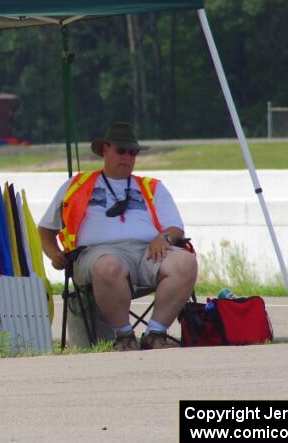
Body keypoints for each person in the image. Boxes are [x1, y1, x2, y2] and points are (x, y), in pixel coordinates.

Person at [38, 122, 197, 351]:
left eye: (132, 152)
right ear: (105, 150)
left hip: (146, 252)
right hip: (95, 255)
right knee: (108, 265)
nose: (127, 157)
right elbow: (45, 229)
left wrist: (164, 239)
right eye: (120, 151)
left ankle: (155, 333)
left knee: (185, 261)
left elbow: (175, 227)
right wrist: (54, 254)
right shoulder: (76, 184)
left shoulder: (152, 187)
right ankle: (124, 337)